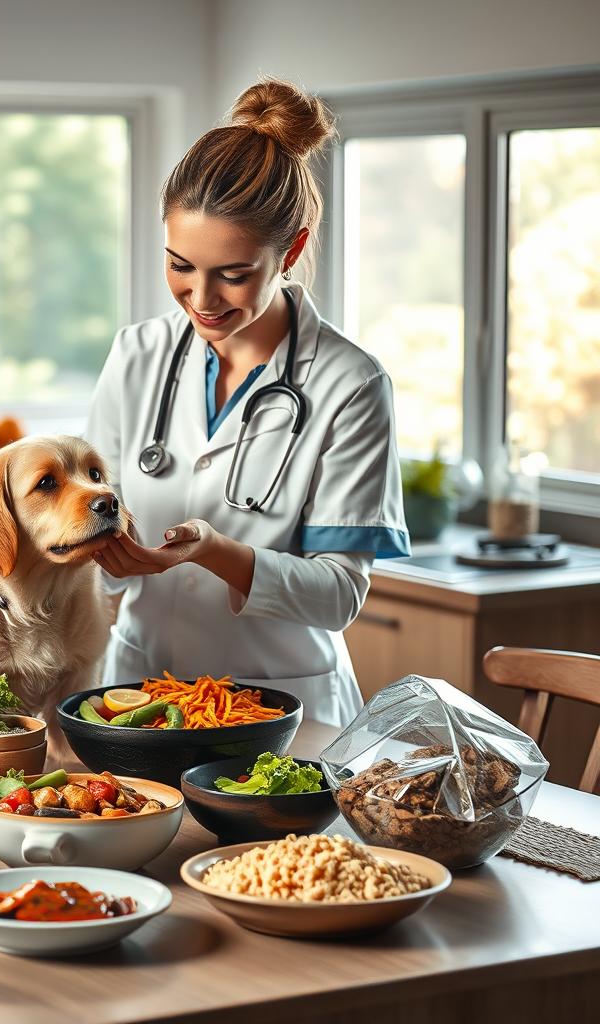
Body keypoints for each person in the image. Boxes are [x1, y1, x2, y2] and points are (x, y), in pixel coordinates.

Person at [84, 77, 410, 727]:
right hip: (140, 700)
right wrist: (98, 552)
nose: (201, 297)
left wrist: (214, 550)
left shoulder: (351, 385)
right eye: (180, 265)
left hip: (283, 713)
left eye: (231, 274)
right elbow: (91, 537)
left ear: (290, 250)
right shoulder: (136, 356)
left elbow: (339, 594)